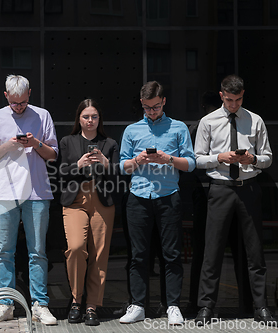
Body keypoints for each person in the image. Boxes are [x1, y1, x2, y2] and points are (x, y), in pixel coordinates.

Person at [194, 75, 276, 325]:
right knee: (213, 250)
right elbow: (197, 158)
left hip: (248, 187)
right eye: (229, 100)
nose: (234, 105)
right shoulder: (208, 121)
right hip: (219, 189)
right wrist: (221, 157)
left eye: (238, 99)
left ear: (243, 95)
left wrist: (252, 160)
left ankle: (261, 307)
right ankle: (206, 307)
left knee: (255, 251)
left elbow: (268, 157)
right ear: (221, 96)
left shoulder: (255, 120)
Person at [0, 75, 58, 326]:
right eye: (14, 103)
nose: (19, 107)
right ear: (6, 96)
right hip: (4, 192)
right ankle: (6, 304)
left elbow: (53, 154)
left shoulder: (42, 115)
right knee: (4, 251)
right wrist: (8, 145)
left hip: (36, 192)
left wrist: (35, 142)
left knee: (38, 252)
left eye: (23, 102)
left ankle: (40, 305)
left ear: (30, 95)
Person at [118, 81, 195, 325]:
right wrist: (138, 160)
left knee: (171, 255)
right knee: (138, 255)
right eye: (148, 108)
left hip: (168, 196)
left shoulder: (178, 127)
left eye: (156, 107)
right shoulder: (131, 130)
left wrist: (168, 159)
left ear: (164, 102)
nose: (152, 112)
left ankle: (173, 305)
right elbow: (123, 167)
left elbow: (191, 163)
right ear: (141, 104)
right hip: (138, 197)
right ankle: (138, 305)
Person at [59, 99, 119, 326]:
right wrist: (79, 165)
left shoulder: (110, 143)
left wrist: (105, 163)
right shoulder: (68, 141)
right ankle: (76, 300)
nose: (90, 121)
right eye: (86, 117)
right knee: (75, 248)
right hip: (75, 199)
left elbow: (117, 175)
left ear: (99, 119)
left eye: (94, 117)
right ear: (79, 119)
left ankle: (92, 306)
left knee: (99, 255)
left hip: (102, 199)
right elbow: (61, 173)